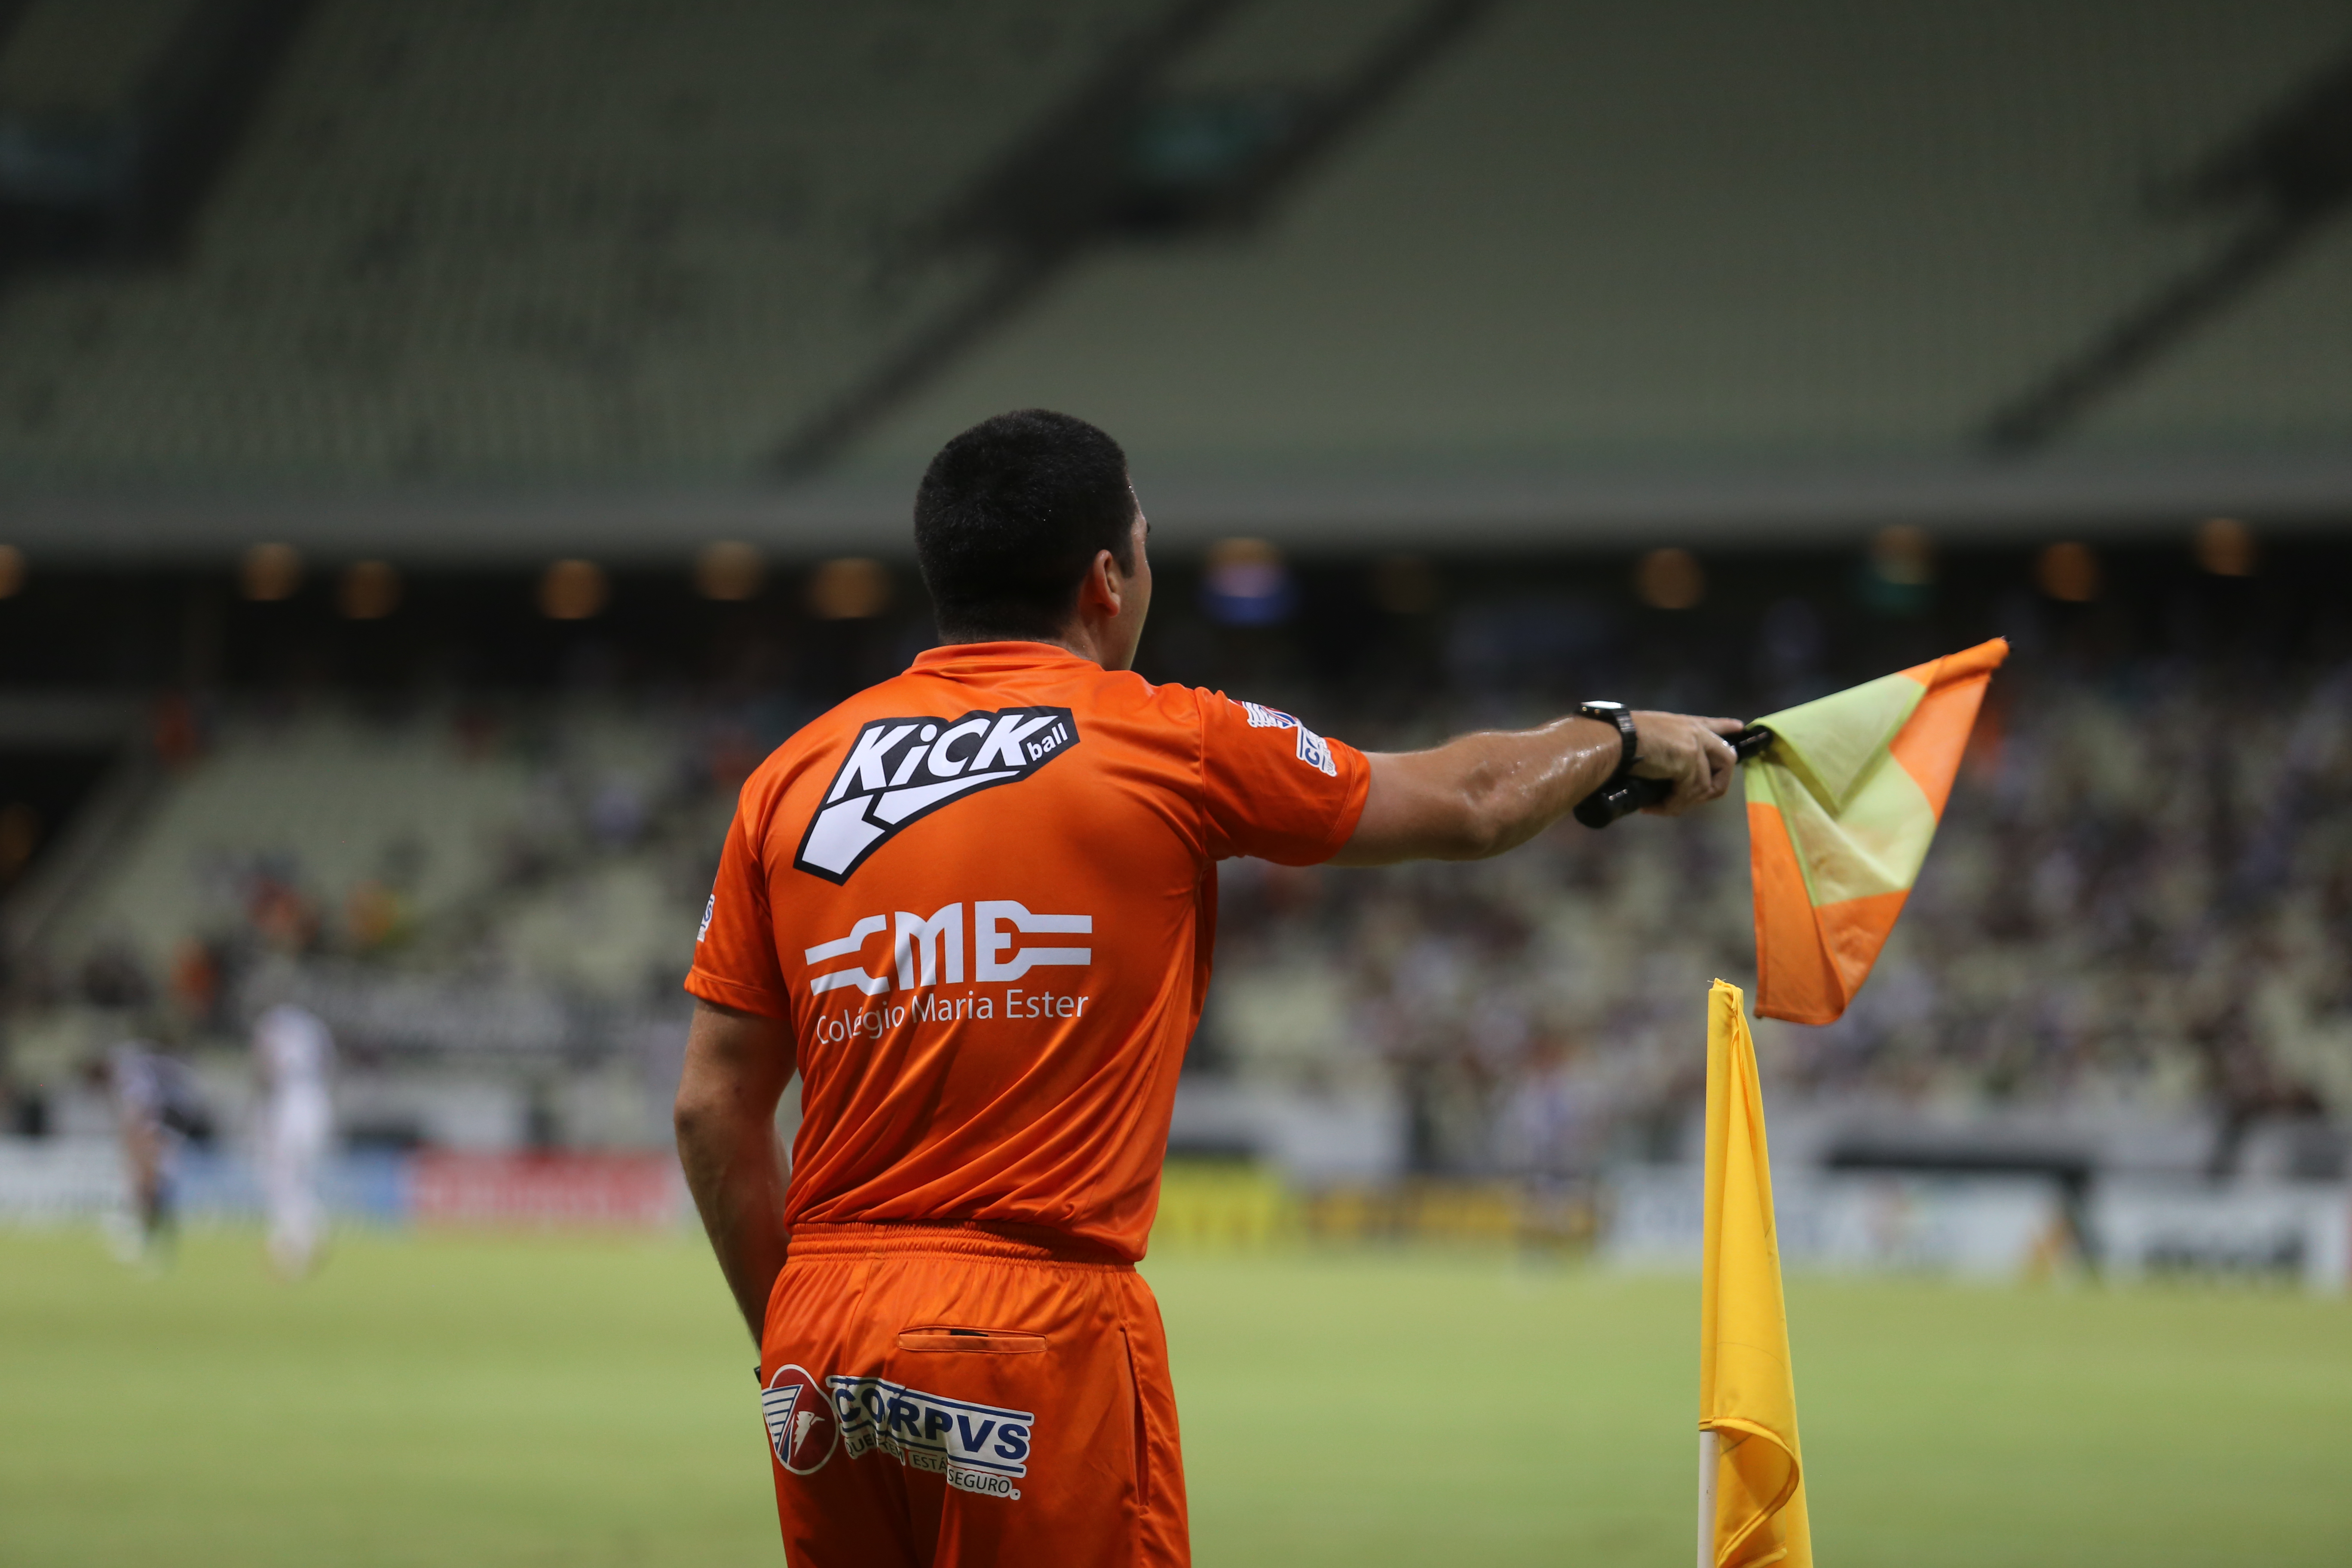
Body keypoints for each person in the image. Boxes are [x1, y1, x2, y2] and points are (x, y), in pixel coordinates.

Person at [676, 409, 1740, 1567]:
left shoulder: (788, 778)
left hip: (823, 1332)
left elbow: (710, 1108)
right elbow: (1472, 801)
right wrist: (1620, 741)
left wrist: (797, 1337)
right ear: (1104, 579)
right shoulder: (1166, 736)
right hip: (1035, 1331)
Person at [94, 1037, 208, 1268]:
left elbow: (139, 1115)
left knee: (147, 1182)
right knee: (156, 1182)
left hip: (160, 1126)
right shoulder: (148, 1067)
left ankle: (147, 1237)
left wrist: (137, 1145)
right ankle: (154, 1239)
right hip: (173, 1124)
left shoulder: (130, 1074)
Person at [251, 1000, 334, 1277]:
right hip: (317, 1099)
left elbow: (266, 1065)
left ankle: (292, 1244)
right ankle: (307, 1236)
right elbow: (328, 1063)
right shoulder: (313, 1025)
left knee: (282, 1176)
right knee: (302, 1176)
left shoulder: (272, 1023)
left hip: (288, 1099)